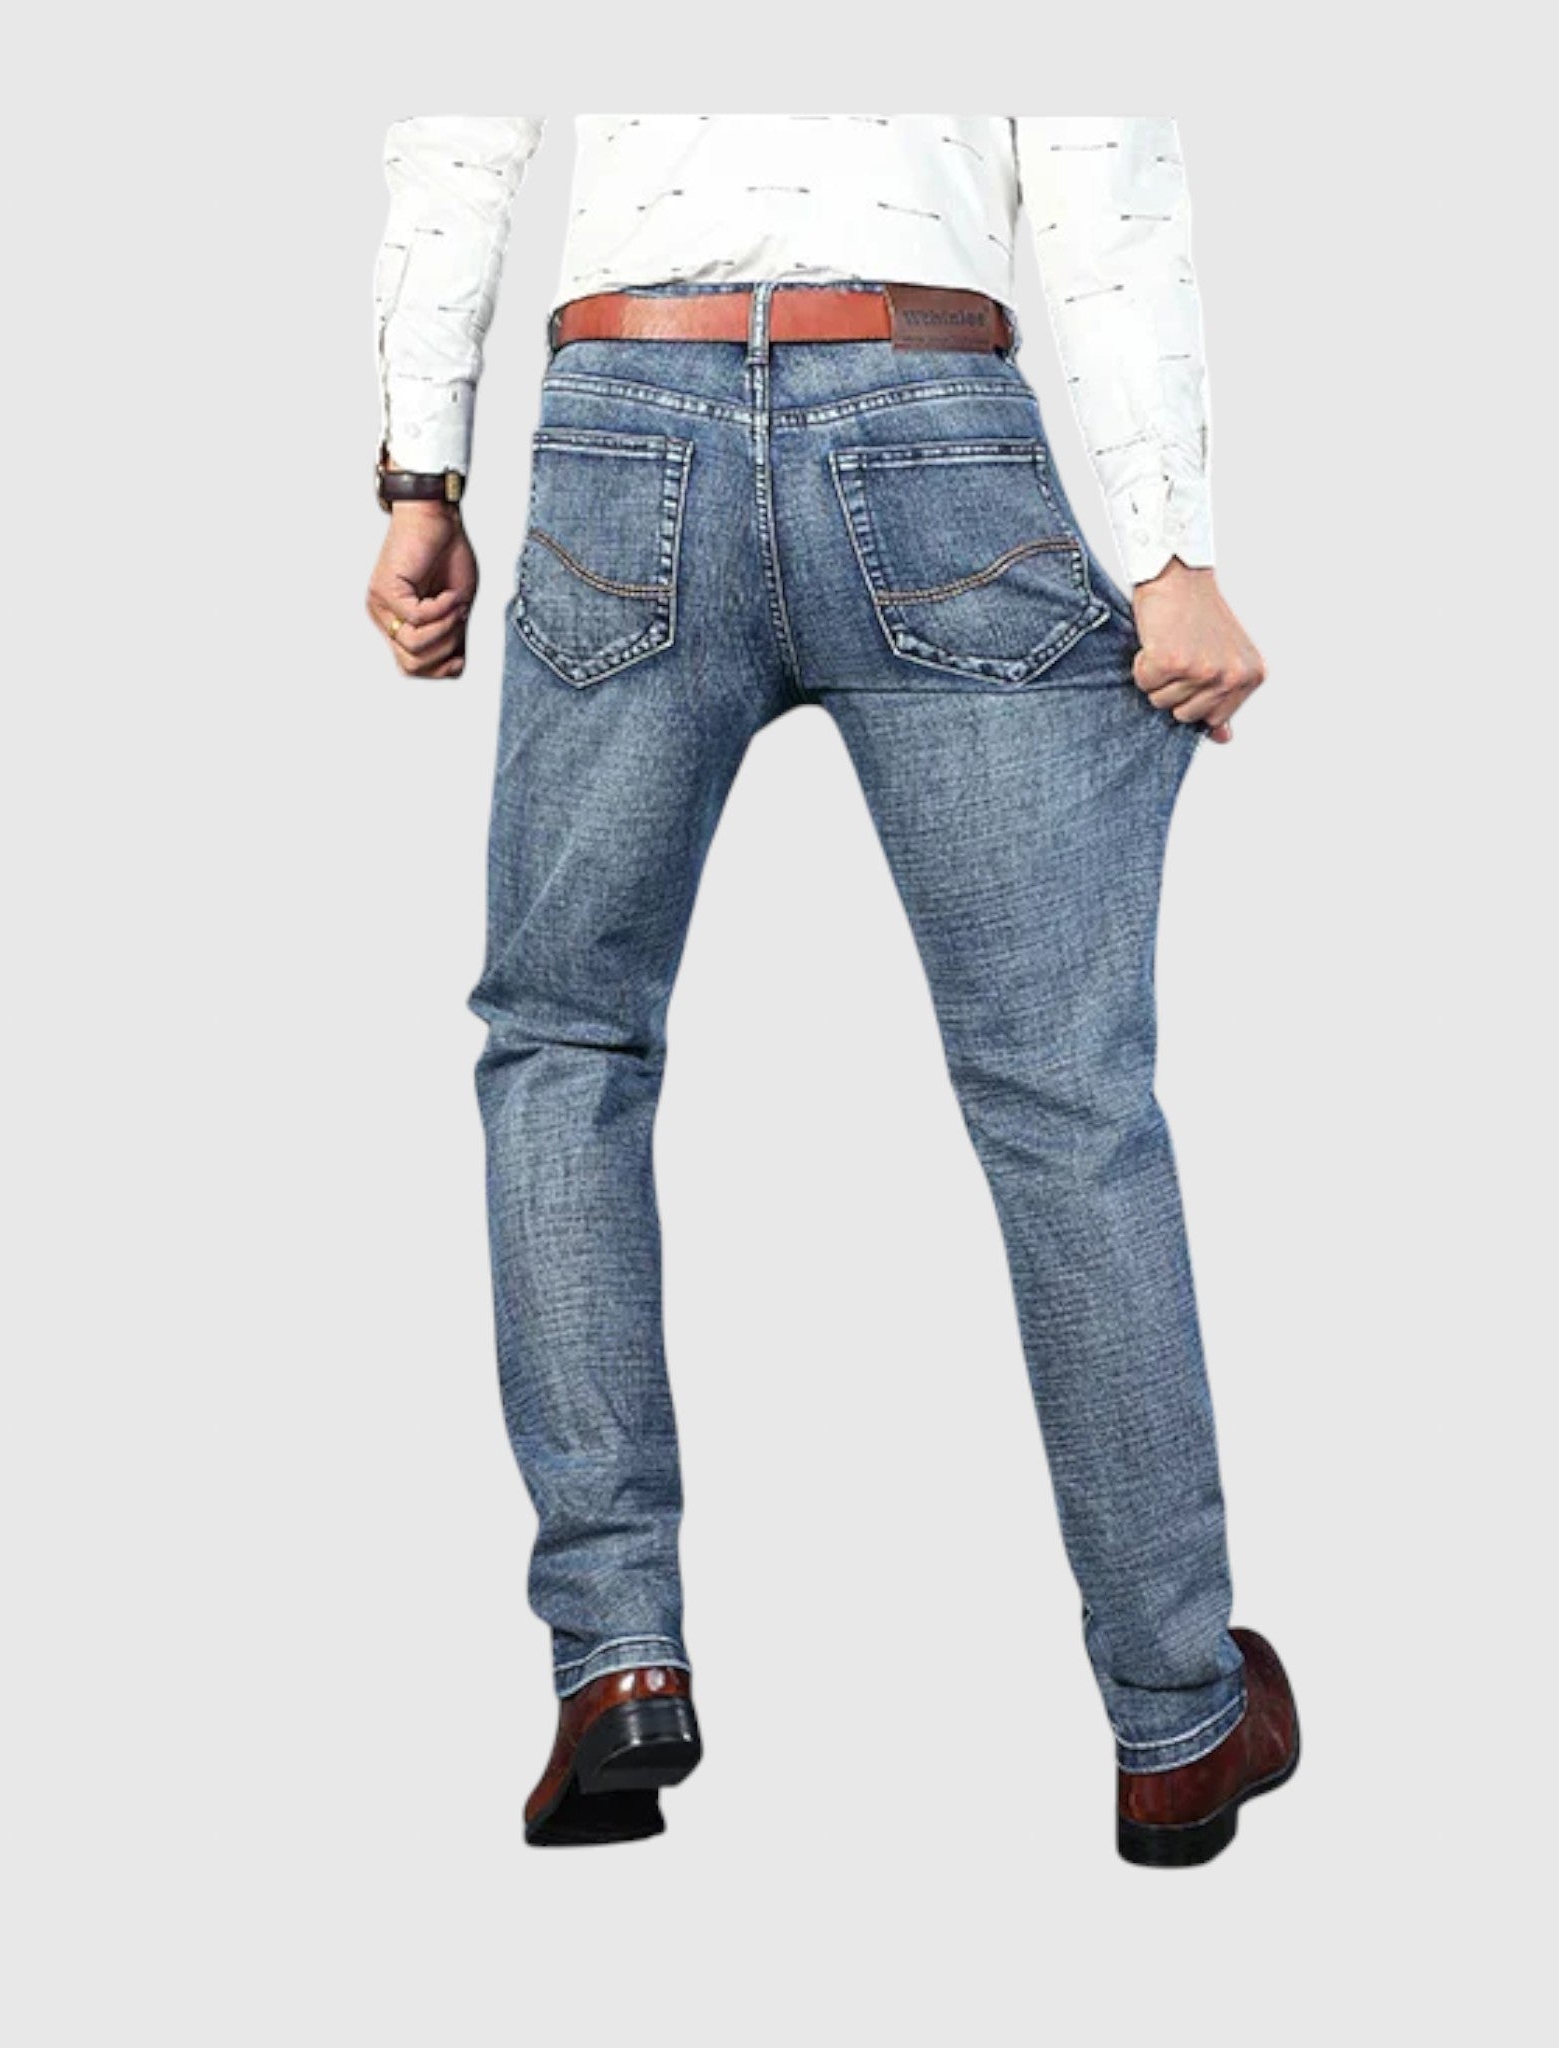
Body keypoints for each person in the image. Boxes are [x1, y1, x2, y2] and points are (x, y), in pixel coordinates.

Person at [365, 116, 1296, 1866]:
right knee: (1065, 1097)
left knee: (568, 1046)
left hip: (626, 418)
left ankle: (617, 1661)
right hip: (927, 416)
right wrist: (1171, 552)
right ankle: (1178, 1721)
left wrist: (424, 477)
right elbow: (1096, 151)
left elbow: (457, 132)